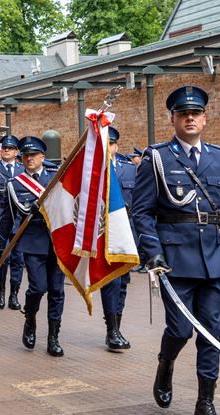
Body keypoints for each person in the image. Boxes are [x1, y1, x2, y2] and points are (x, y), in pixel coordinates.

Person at [133, 85, 220, 415]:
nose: (190, 118)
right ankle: (166, 364)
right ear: (173, 119)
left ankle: (204, 404)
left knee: (210, 331)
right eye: (183, 114)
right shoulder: (158, 158)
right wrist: (152, 252)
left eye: (196, 113)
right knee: (181, 328)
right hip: (173, 259)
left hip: (212, 257)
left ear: (205, 118)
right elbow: (143, 211)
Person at [0, 136, 67, 357]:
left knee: (57, 291)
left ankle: (53, 337)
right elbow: (6, 220)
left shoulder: (58, 179)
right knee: (38, 288)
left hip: (57, 241)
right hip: (32, 242)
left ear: (43, 157)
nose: (30, 158)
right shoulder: (15, 185)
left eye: (34, 155)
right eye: (26, 155)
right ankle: (30, 319)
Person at [99, 127, 133, 352]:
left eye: (111, 144)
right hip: (104, 234)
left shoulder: (130, 170)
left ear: (116, 146)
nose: (108, 148)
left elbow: (140, 203)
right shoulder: (92, 172)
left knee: (123, 284)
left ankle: (117, 326)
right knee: (111, 282)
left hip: (127, 233)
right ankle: (111, 330)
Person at [0, 135, 24, 310]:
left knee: (18, 260)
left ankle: (14, 294)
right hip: (1, 222)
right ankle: (1, 290)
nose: (7, 151)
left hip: (19, 223)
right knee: (2, 259)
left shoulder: (21, 170)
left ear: (16, 152)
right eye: (4, 148)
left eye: (11, 148)